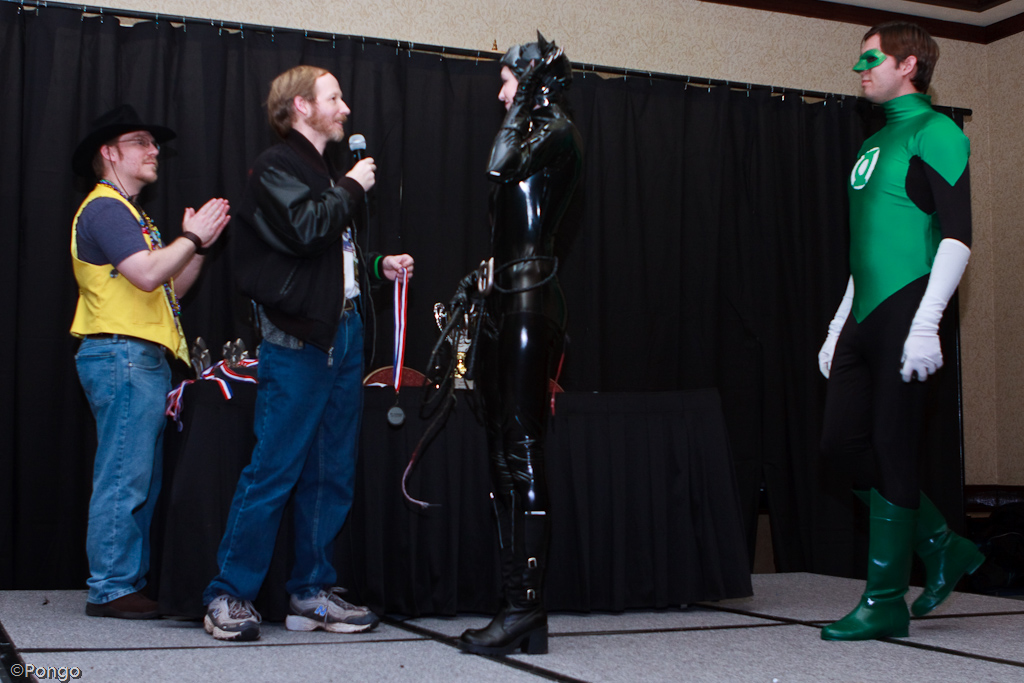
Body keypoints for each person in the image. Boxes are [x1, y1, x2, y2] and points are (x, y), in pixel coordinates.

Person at [202, 65, 414, 642]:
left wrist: (376, 266)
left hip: (342, 334)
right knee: (274, 468)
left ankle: (310, 592)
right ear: (300, 106)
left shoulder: (324, 172)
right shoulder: (276, 167)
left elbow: (327, 255)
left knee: (331, 472)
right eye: (334, 98)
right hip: (297, 340)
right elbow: (303, 229)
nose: (345, 108)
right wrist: (352, 186)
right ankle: (227, 594)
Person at [817, 22, 983, 641]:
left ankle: (885, 600)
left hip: (910, 309)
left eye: (871, 59)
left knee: (892, 446)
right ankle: (941, 545)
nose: (860, 69)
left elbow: (958, 235)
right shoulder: (872, 143)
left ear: (909, 64)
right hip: (864, 314)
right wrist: (838, 326)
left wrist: (928, 321)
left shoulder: (935, 131)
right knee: (840, 446)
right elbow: (867, 247)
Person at [71, 105, 231, 619]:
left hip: (139, 357)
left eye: (153, 142)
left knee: (139, 477)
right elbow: (145, 274)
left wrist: (197, 249)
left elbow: (168, 290)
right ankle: (111, 587)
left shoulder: (131, 215)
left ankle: (125, 583)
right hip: (122, 355)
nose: (154, 150)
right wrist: (190, 238)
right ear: (109, 152)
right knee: (125, 475)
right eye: (140, 141)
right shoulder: (105, 209)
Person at [456, 34, 583, 656]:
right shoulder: (541, 133)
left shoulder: (555, 130)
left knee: (522, 448)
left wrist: (528, 90)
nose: (502, 96)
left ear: (532, 80)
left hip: (532, 302)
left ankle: (525, 606)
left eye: (508, 82)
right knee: (504, 452)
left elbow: (500, 162)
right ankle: (519, 606)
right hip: (510, 299)